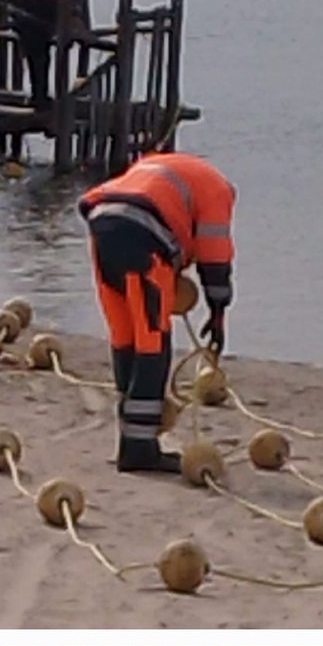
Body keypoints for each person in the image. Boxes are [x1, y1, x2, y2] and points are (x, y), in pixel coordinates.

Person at [77, 151, 237, 473]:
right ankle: (139, 449)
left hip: (102, 224)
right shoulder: (218, 191)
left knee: (126, 337)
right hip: (142, 238)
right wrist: (218, 310)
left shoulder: (163, 168)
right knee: (152, 341)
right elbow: (215, 255)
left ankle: (131, 439)